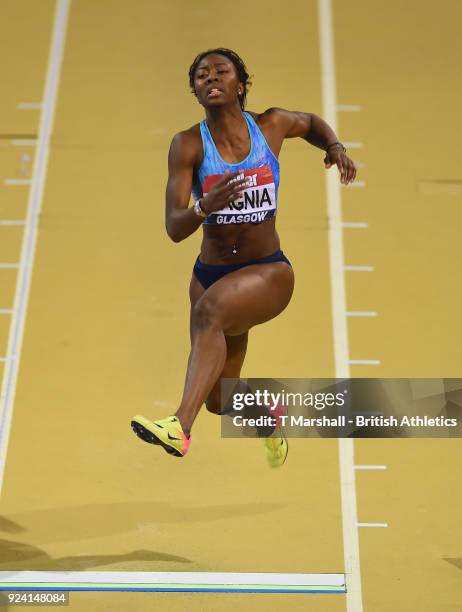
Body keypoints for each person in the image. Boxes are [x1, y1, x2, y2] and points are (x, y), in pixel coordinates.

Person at [131, 48, 356, 467]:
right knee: (219, 399)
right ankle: (268, 417)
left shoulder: (271, 125)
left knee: (210, 313)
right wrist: (204, 206)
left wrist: (334, 146)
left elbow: (311, 123)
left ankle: (180, 426)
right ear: (195, 92)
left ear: (241, 85)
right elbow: (174, 228)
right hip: (210, 272)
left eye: (221, 71)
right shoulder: (187, 145)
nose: (211, 78)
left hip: (268, 272)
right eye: (202, 76)